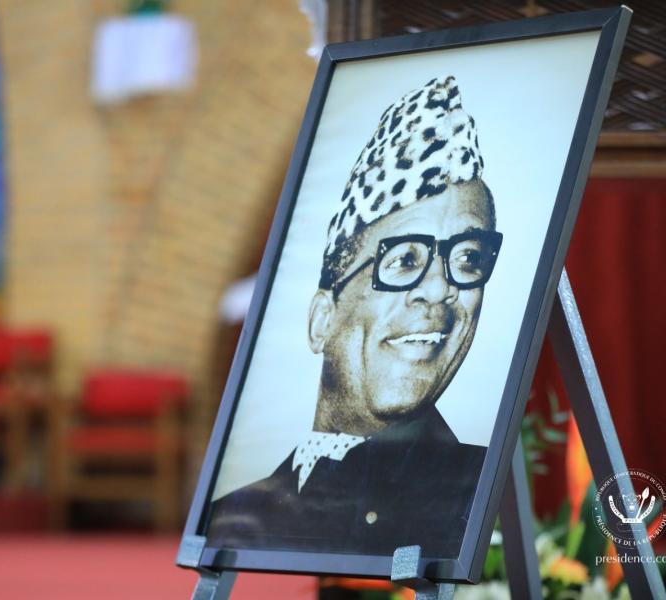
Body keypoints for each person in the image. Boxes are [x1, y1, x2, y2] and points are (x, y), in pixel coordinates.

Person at [207, 76, 503, 559]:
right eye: (405, 260)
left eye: (468, 259)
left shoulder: (483, 501)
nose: (439, 290)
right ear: (322, 319)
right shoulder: (236, 516)